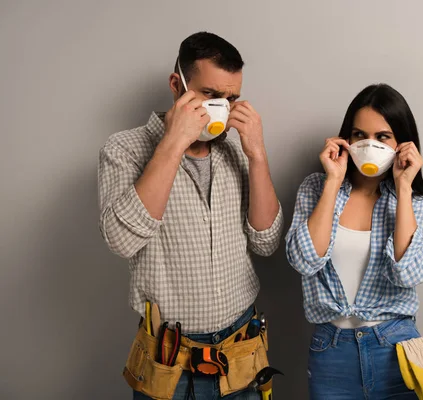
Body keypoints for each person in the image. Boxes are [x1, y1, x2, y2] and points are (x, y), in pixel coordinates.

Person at [98, 31, 283, 399]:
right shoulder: (124, 149)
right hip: (170, 360)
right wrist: (173, 142)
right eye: (210, 94)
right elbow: (121, 240)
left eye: (230, 98)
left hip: (242, 350)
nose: (221, 107)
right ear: (176, 84)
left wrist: (258, 156)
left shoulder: (234, 151)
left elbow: (266, 241)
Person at [285, 83, 423, 399]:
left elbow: (408, 273)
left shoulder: (414, 202)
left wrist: (405, 187)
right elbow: (303, 259)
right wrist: (333, 180)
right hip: (331, 354)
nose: (369, 145)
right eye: (359, 135)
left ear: (401, 143)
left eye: (382, 137)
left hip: (396, 350)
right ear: (347, 138)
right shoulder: (316, 188)